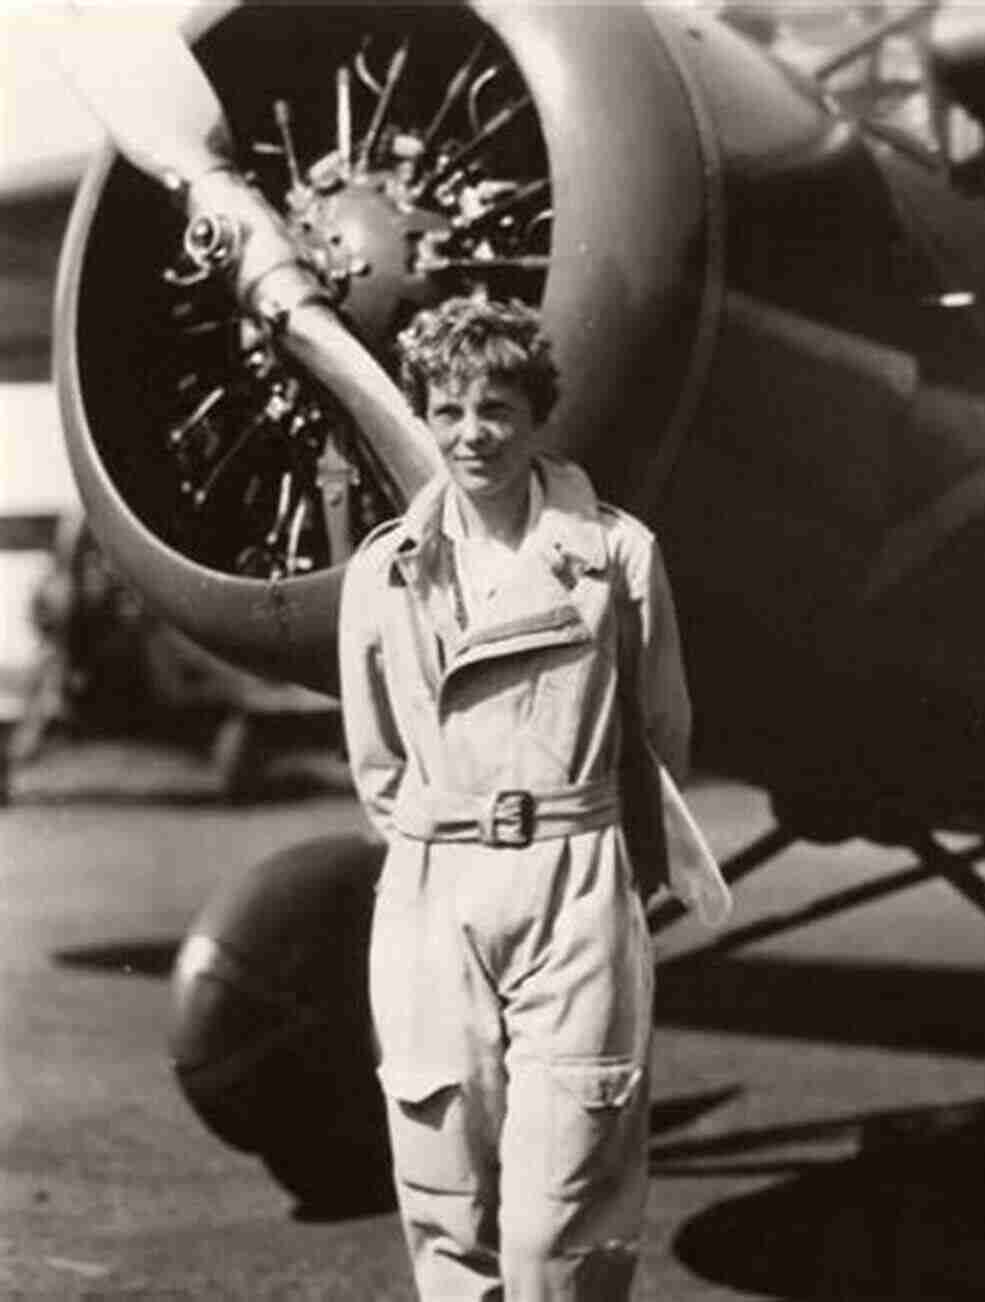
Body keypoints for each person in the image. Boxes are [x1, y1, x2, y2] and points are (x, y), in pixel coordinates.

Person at [337, 295, 725, 1301]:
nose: (474, 435)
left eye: (498, 408)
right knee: (442, 1183)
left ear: (536, 414)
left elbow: (661, 732)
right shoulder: (383, 574)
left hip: (577, 879)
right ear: (422, 416)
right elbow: (378, 761)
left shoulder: (615, 555)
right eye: (449, 409)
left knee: (568, 1196)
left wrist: (593, 857)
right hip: (432, 886)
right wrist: (444, 839)